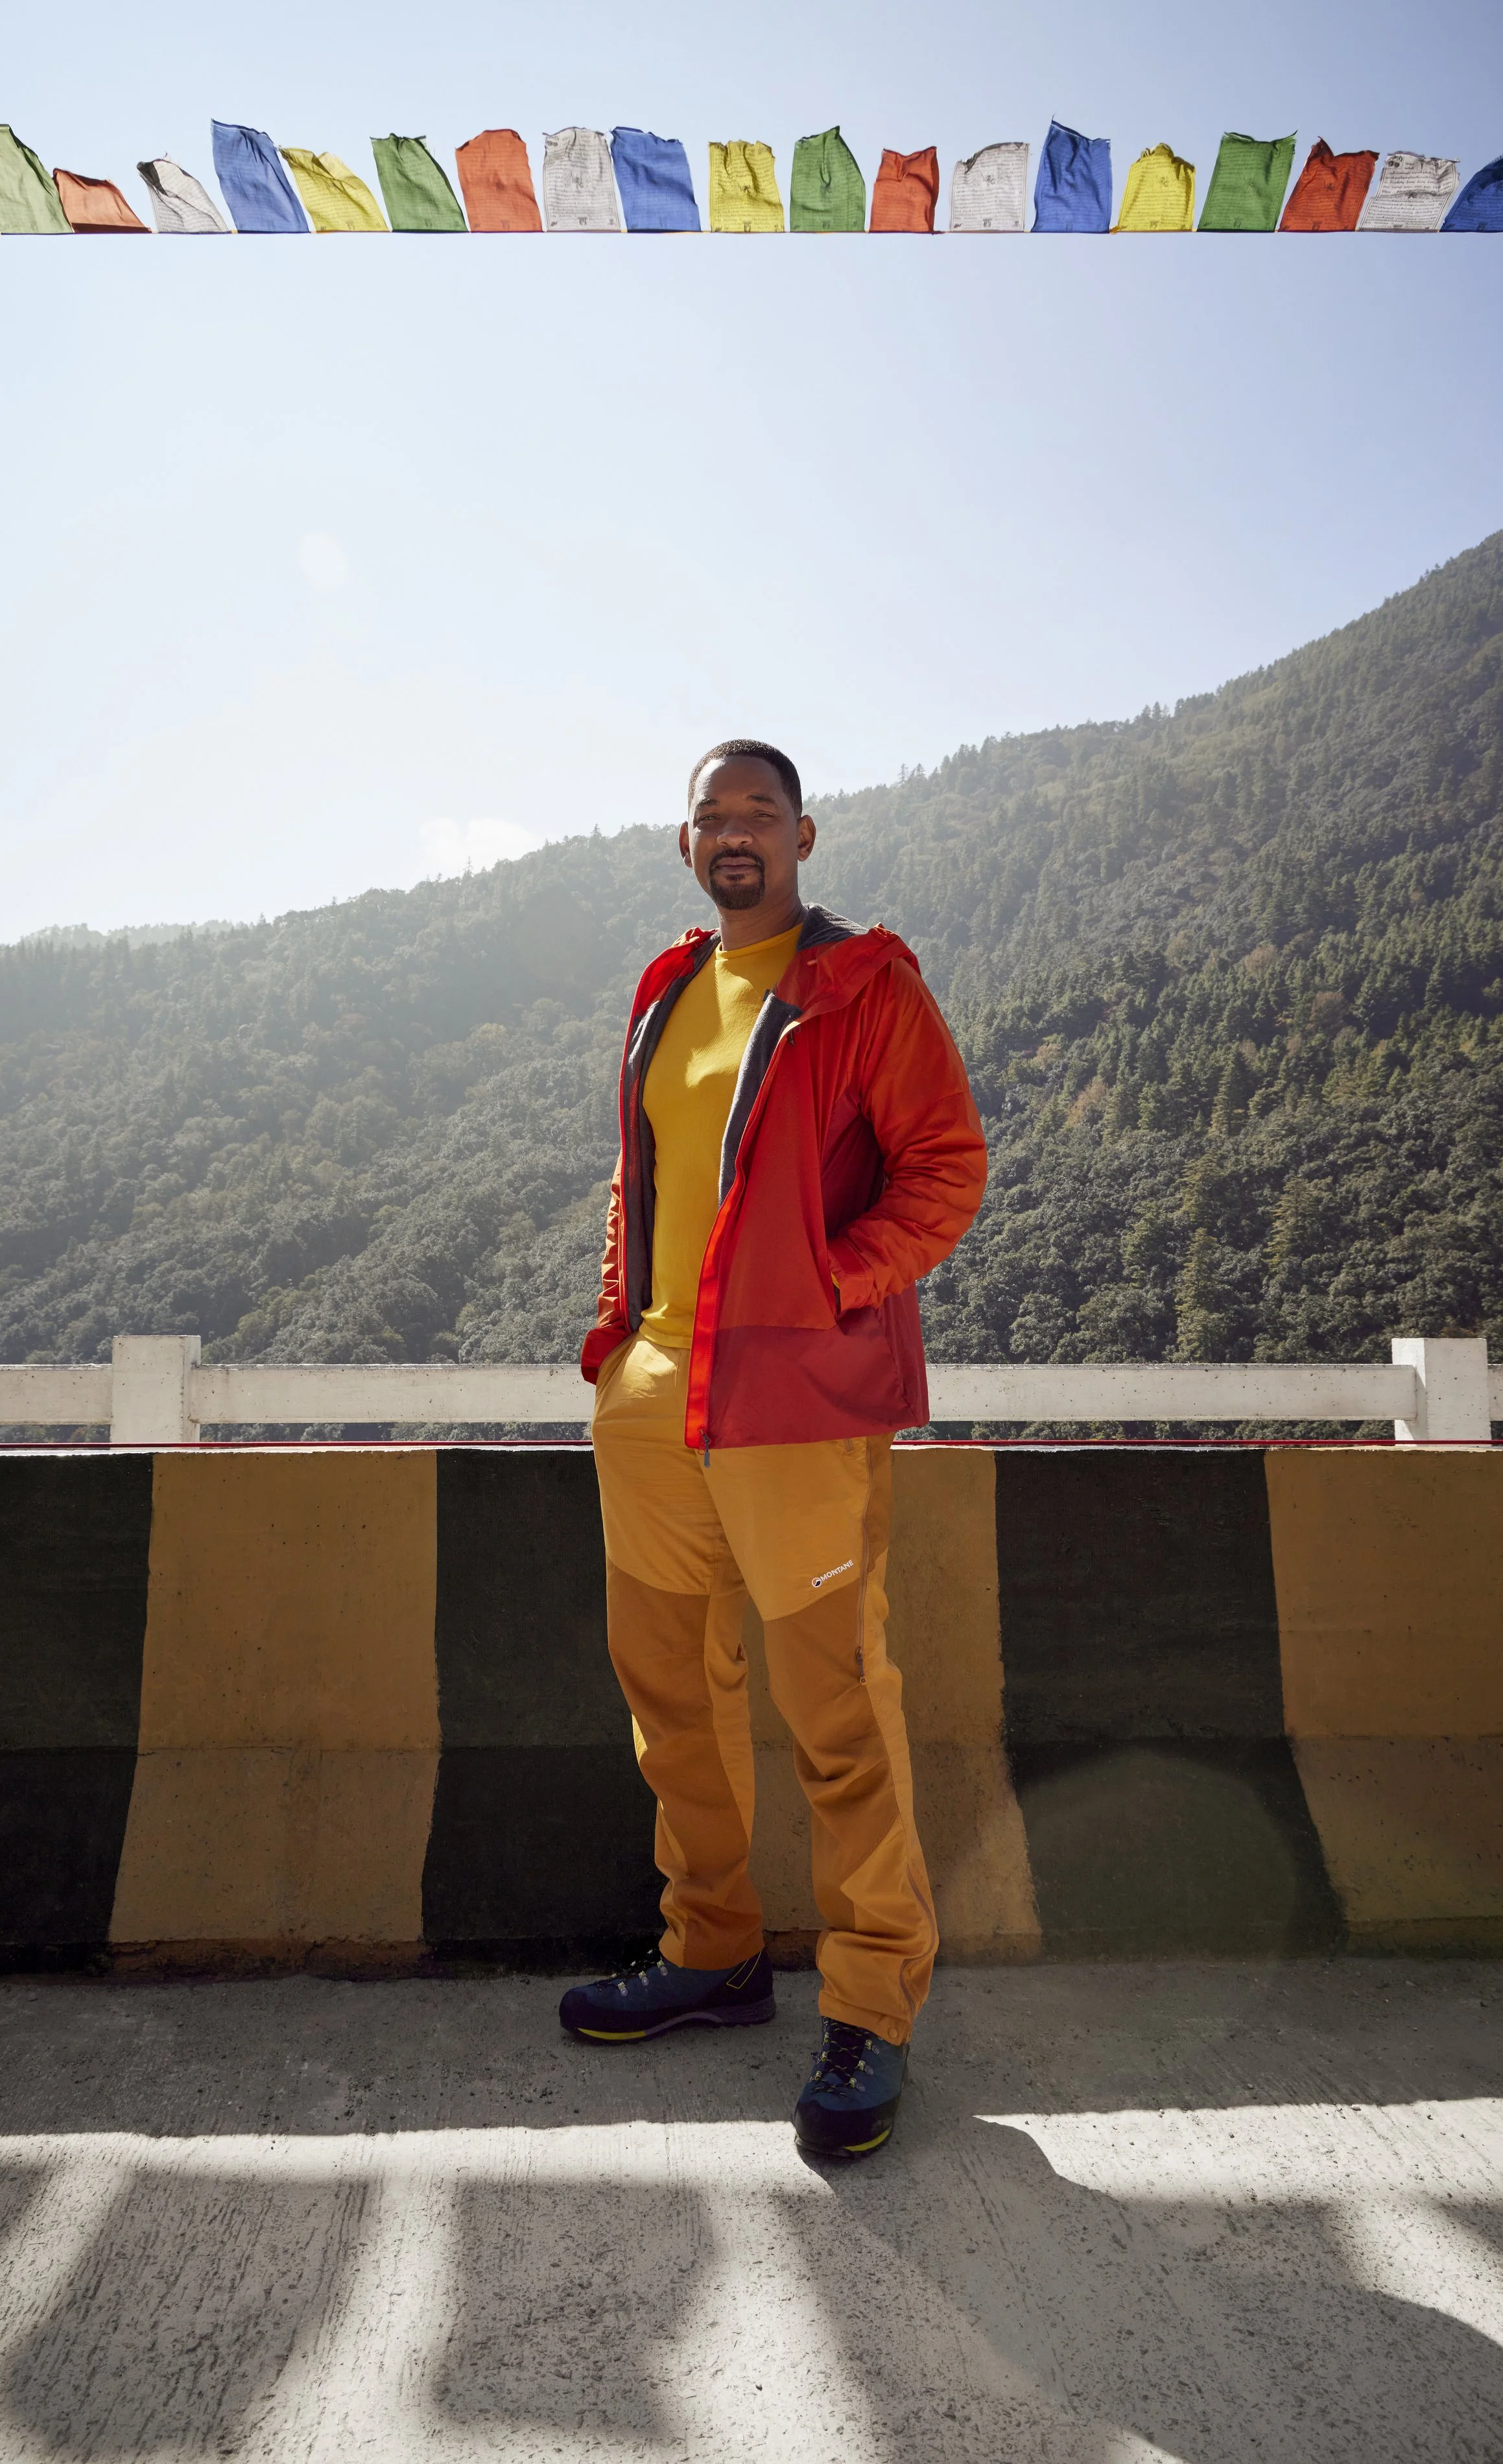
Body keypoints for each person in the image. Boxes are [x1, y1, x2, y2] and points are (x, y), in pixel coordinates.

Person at [559, 739, 987, 2156]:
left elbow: (946, 1170)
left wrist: (826, 1286)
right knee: (671, 1703)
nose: (735, 832)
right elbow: (644, 1176)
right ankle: (713, 1953)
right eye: (711, 814)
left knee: (838, 1720)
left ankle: (871, 2007)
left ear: (803, 834)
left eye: (759, 811)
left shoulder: (862, 987)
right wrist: (618, 1332)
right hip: (654, 1409)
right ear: (684, 842)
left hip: (794, 1413)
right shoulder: (666, 987)